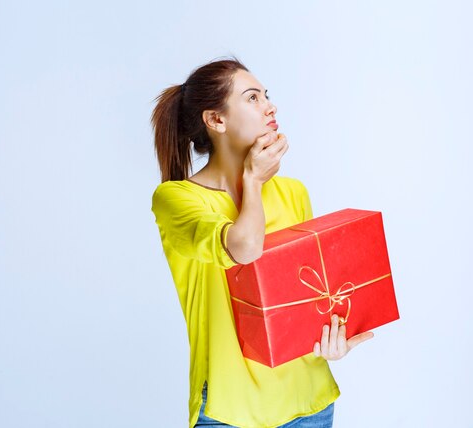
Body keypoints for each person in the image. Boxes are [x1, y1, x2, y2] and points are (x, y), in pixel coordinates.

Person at [149, 56, 374, 428]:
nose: (270, 106)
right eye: (252, 98)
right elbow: (244, 247)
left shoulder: (292, 192)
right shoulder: (177, 199)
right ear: (216, 120)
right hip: (229, 411)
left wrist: (336, 335)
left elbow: (307, 296)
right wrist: (252, 182)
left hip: (309, 402)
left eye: (266, 95)